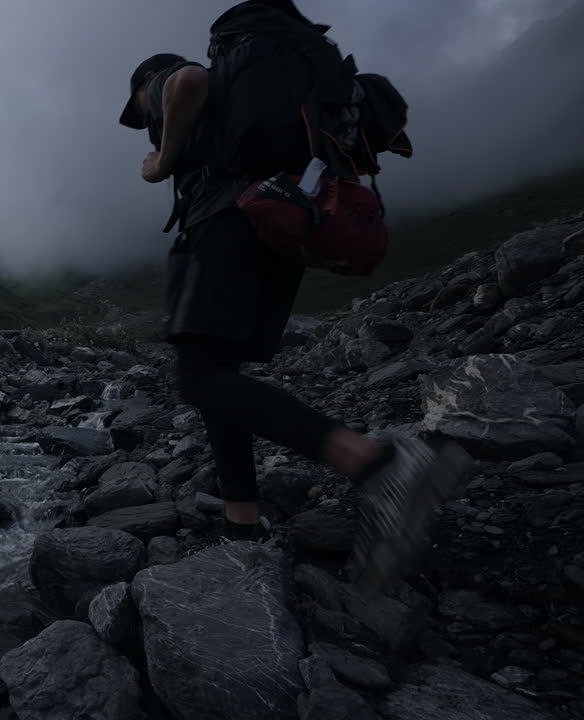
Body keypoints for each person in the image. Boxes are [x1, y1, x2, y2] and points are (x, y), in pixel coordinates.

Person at [118, 1, 472, 591]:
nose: (137, 116)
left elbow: (188, 80)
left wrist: (164, 161)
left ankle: (379, 464)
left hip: (224, 226)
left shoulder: (169, 77)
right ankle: (242, 523)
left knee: (201, 378)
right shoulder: (258, 94)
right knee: (219, 377)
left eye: (134, 110)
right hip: (277, 225)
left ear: (139, 85)